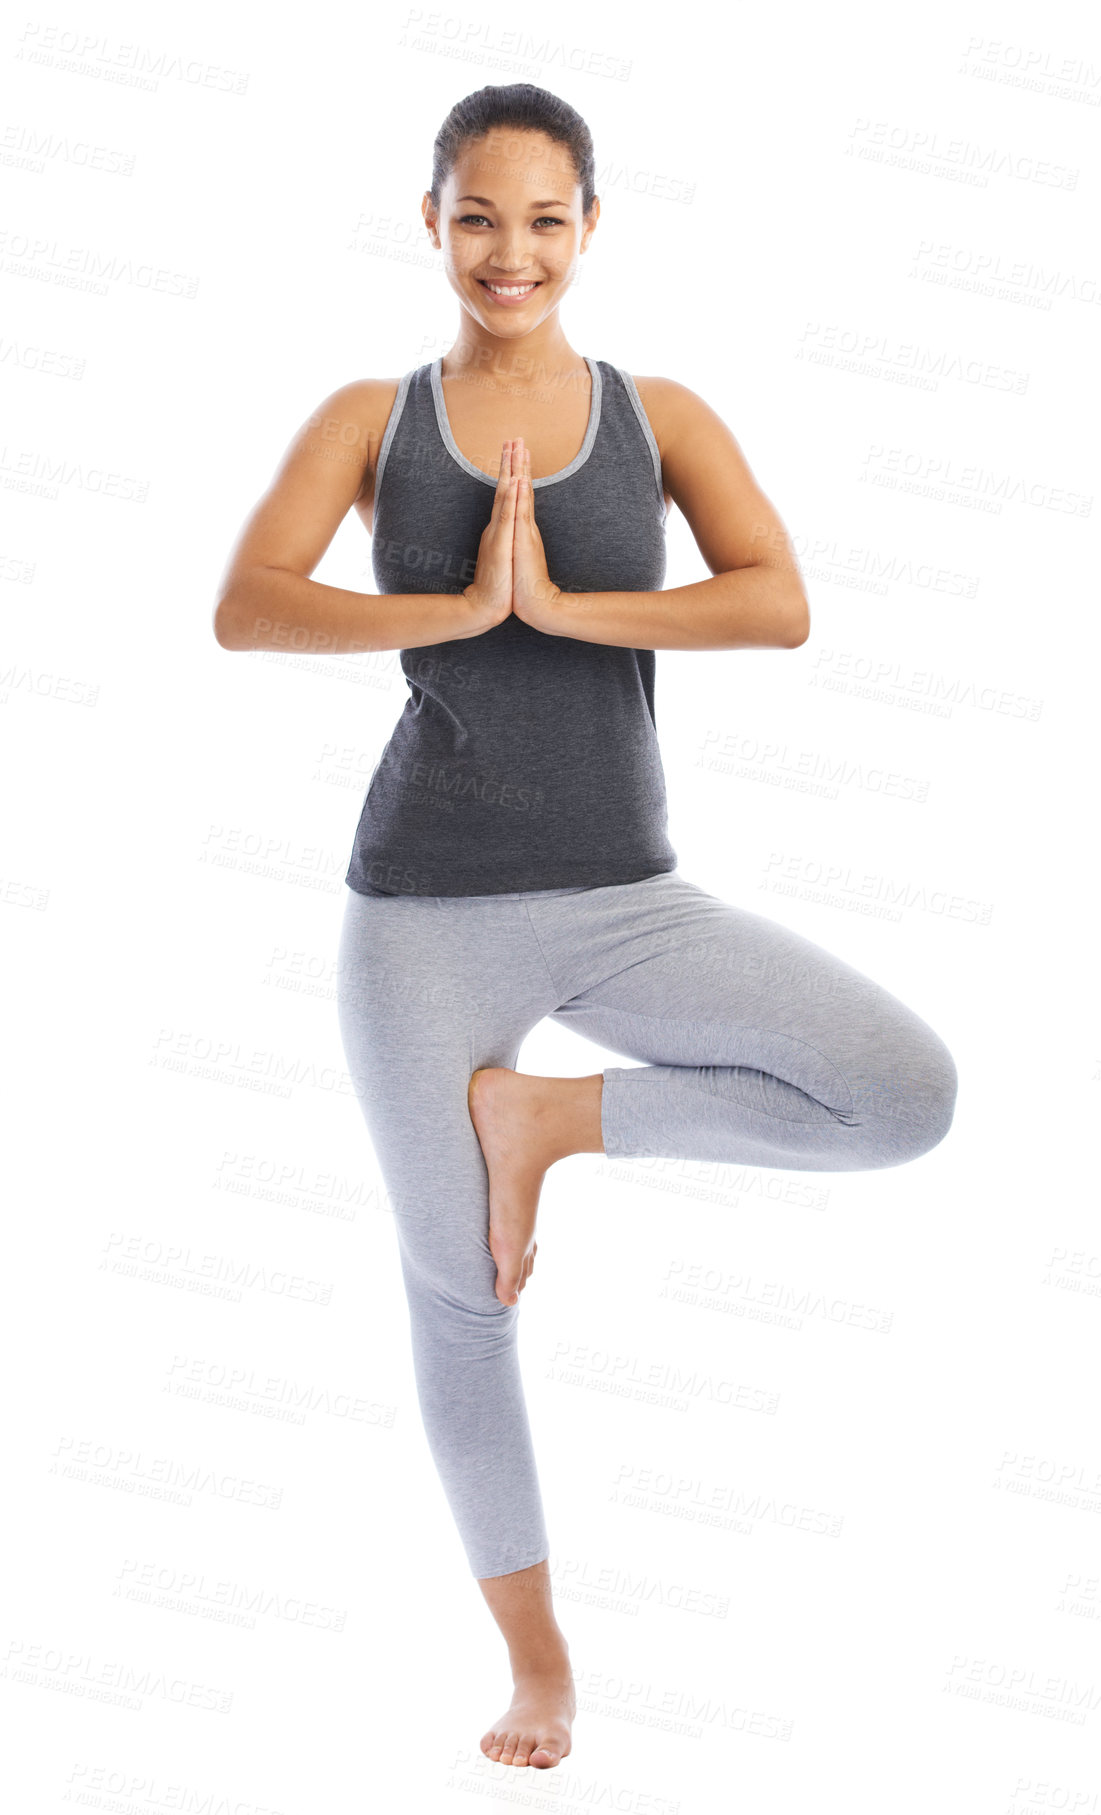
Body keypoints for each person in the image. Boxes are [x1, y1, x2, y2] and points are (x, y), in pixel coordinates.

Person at [213, 81, 958, 1774]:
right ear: (432, 224)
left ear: (590, 230)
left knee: (900, 1093)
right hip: (422, 914)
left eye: (544, 218)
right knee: (457, 1291)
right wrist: (453, 608)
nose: (510, 251)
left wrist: (561, 606)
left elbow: (774, 600)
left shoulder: (655, 411)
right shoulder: (370, 417)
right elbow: (245, 605)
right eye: (478, 215)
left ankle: (550, 1120)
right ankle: (538, 1666)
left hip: (627, 900)